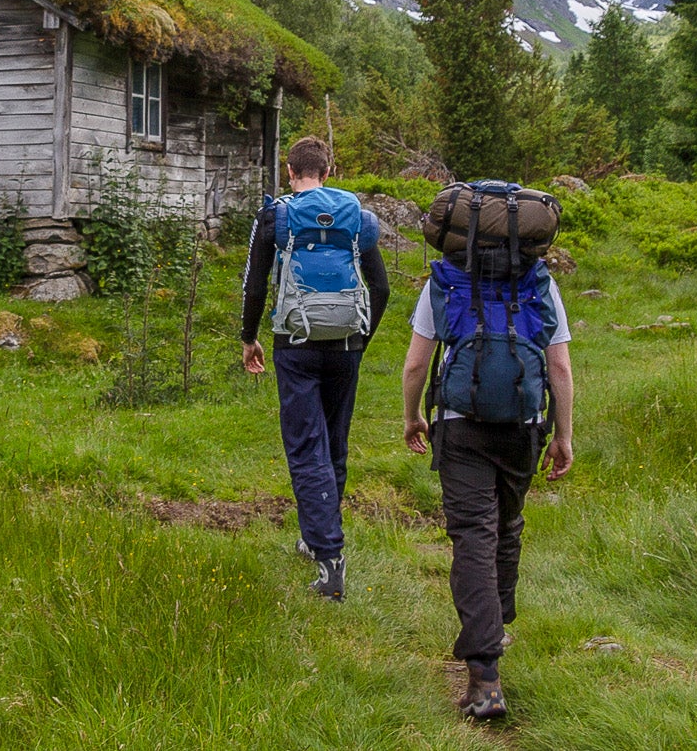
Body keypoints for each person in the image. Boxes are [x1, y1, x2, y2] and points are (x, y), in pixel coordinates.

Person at [400, 253, 574, 720]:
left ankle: (485, 675)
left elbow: (417, 364)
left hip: (461, 425)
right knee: (507, 522)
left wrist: (413, 416)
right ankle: (498, 625)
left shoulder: (445, 279)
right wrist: (563, 436)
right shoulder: (539, 281)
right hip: (525, 424)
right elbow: (558, 366)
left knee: (474, 533)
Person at [240, 137, 392, 600]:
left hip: (296, 343)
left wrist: (249, 338)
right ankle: (317, 537)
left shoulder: (277, 216)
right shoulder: (356, 218)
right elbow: (380, 287)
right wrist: (362, 339)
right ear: (329, 170)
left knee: (307, 447)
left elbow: (254, 284)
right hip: (346, 342)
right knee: (335, 440)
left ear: (290, 171)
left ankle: (328, 558)